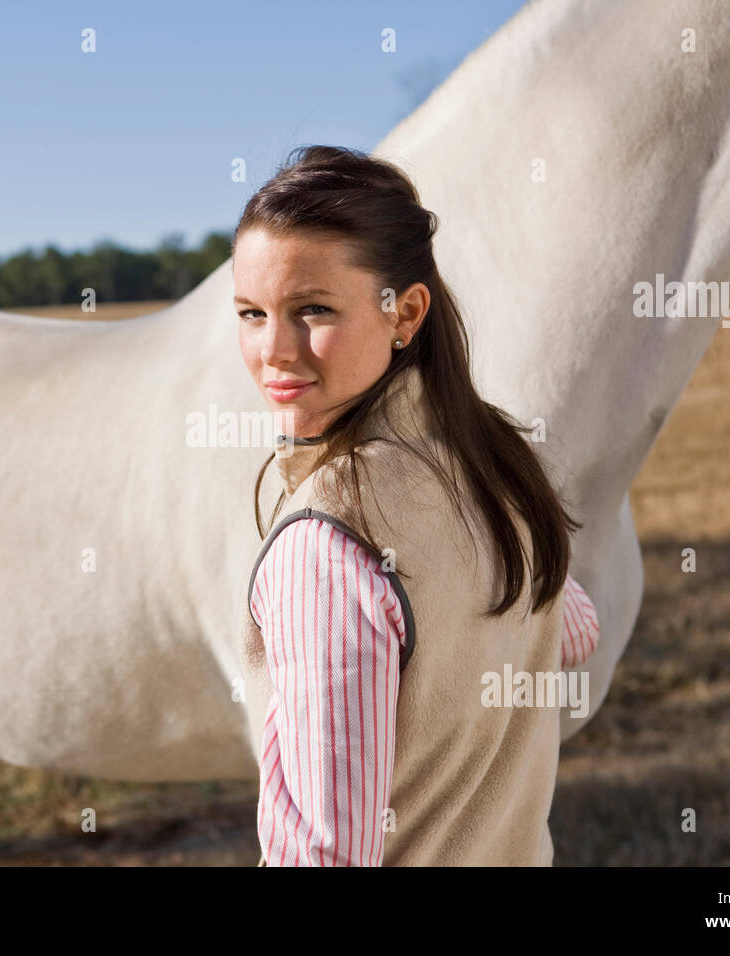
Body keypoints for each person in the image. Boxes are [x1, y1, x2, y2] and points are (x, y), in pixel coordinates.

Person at [232, 145, 599, 866]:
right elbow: (573, 630)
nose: (273, 348)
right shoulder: (491, 464)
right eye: (251, 313)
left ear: (406, 313)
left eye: (312, 310)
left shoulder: (327, 545)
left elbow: (327, 855)